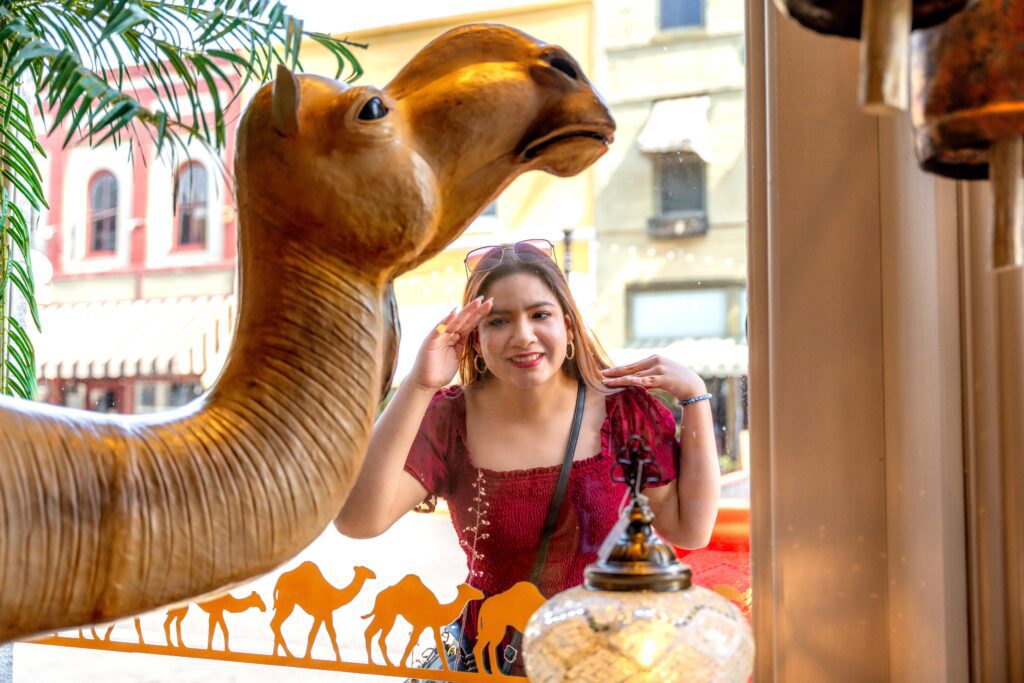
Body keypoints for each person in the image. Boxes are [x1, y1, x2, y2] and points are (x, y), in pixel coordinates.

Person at [334, 238, 720, 671]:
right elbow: (357, 520)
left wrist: (695, 397)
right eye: (498, 321)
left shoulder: (623, 412)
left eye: (540, 314)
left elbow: (691, 529)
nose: (522, 336)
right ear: (475, 340)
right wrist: (419, 385)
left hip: (609, 666)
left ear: (568, 327)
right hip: (494, 667)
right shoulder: (449, 420)